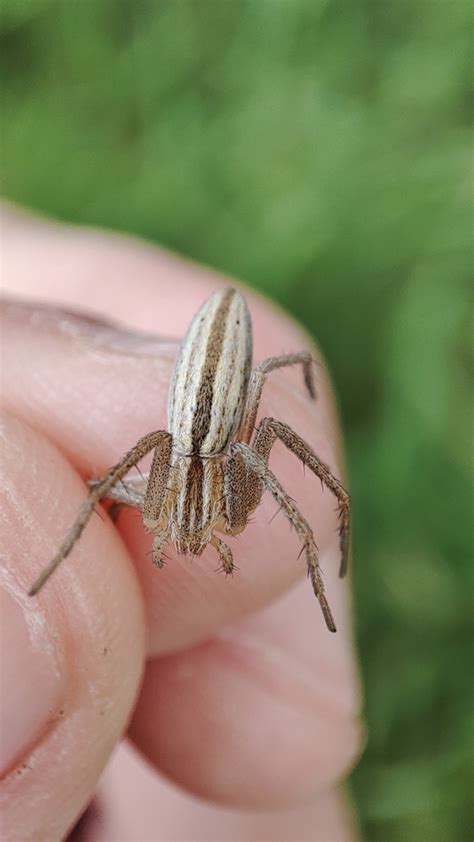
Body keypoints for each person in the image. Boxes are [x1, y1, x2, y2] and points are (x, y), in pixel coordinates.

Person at [0, 204, 362, 841]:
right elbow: (115, 477)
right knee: (124, 468)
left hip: (219, 385)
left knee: (260, 442)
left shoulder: (235, 466)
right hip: (194, 390)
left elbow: (269, 454)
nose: (192, 539)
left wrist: (312, 538)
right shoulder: (159, 460)